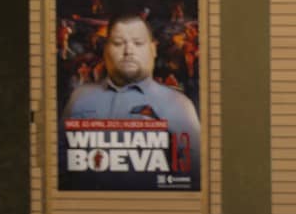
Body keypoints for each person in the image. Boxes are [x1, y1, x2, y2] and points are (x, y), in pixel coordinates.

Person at [62, 14, 202, 165]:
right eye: (117, 43)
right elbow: (58, 163)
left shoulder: (179, 105)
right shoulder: (80, 98)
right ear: (105, 50)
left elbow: (194, 176)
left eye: (138, 43)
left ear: (153, 49)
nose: (128, 50)